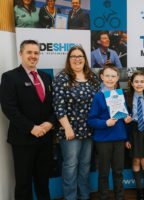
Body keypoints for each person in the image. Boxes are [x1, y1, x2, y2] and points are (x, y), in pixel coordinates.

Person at [0, 40, 56, 200]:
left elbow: (53, 106)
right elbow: (8, 108)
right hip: (23, 140)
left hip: (45, 139)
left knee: (43, 181)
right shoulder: (9, 77)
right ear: (21, 54)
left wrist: (50, 122)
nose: (33, 56)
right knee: (23, 183)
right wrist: (32, 128)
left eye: (36, 53)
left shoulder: (46, 77)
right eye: (29, 52)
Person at [52, 45, 100, 200]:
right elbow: (58, 106)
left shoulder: (93, 78)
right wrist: (67, 127)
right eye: (74, 57)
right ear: (69, 60)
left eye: (80, 56)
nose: (77, 59)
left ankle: (84, 196)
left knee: (85, 165)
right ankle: (71, 197)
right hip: (70, 130)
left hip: (89, 130)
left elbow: (99, 102)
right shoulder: (62, 78)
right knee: (71, 166)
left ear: (85, 59)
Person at [88, 64, 131, 200]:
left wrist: (127, 118)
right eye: (107, 76)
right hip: (103, 140)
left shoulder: (120, 95)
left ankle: (120, 197)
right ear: (102, 77)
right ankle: (103, 197)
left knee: (118, 172)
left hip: (118, 138)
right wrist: (105, 123)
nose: (110, 79)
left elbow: (123, 114)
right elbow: (91, 120)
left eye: (113, 76)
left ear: (117, 78)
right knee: (104, 173)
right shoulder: (98, 97)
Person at [125, 71, 144, 200]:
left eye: (142, 81)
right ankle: (139, 189)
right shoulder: (126, 99)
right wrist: (126, 138)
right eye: (136, 81)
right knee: (136, 160)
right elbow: (123, 121)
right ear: (131, 83)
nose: (139, 84)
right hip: (134, 130)